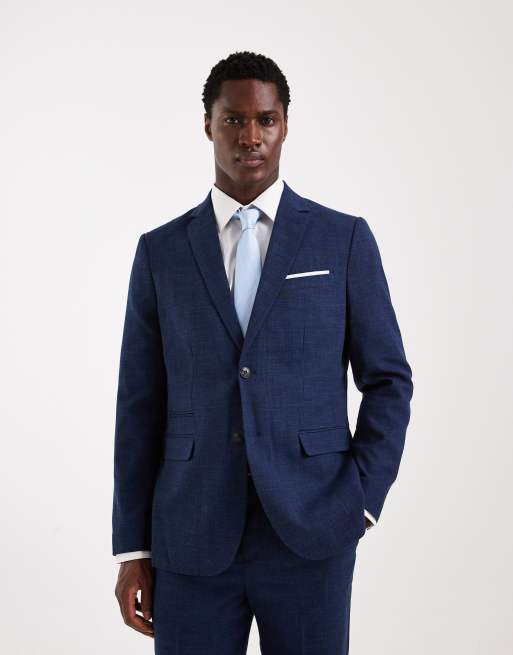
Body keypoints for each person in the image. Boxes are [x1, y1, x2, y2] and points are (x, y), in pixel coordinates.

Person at [112, 50, 413, 654]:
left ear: (285, 126)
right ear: (208, 125)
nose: (250, 136)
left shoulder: (342, 239)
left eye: (265, 120)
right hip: (190, 533)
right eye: (233, 119)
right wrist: (132, 548)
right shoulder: (161, 253)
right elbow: (139, 403)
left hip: (311, 529)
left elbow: (388, 380)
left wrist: (361, 502)